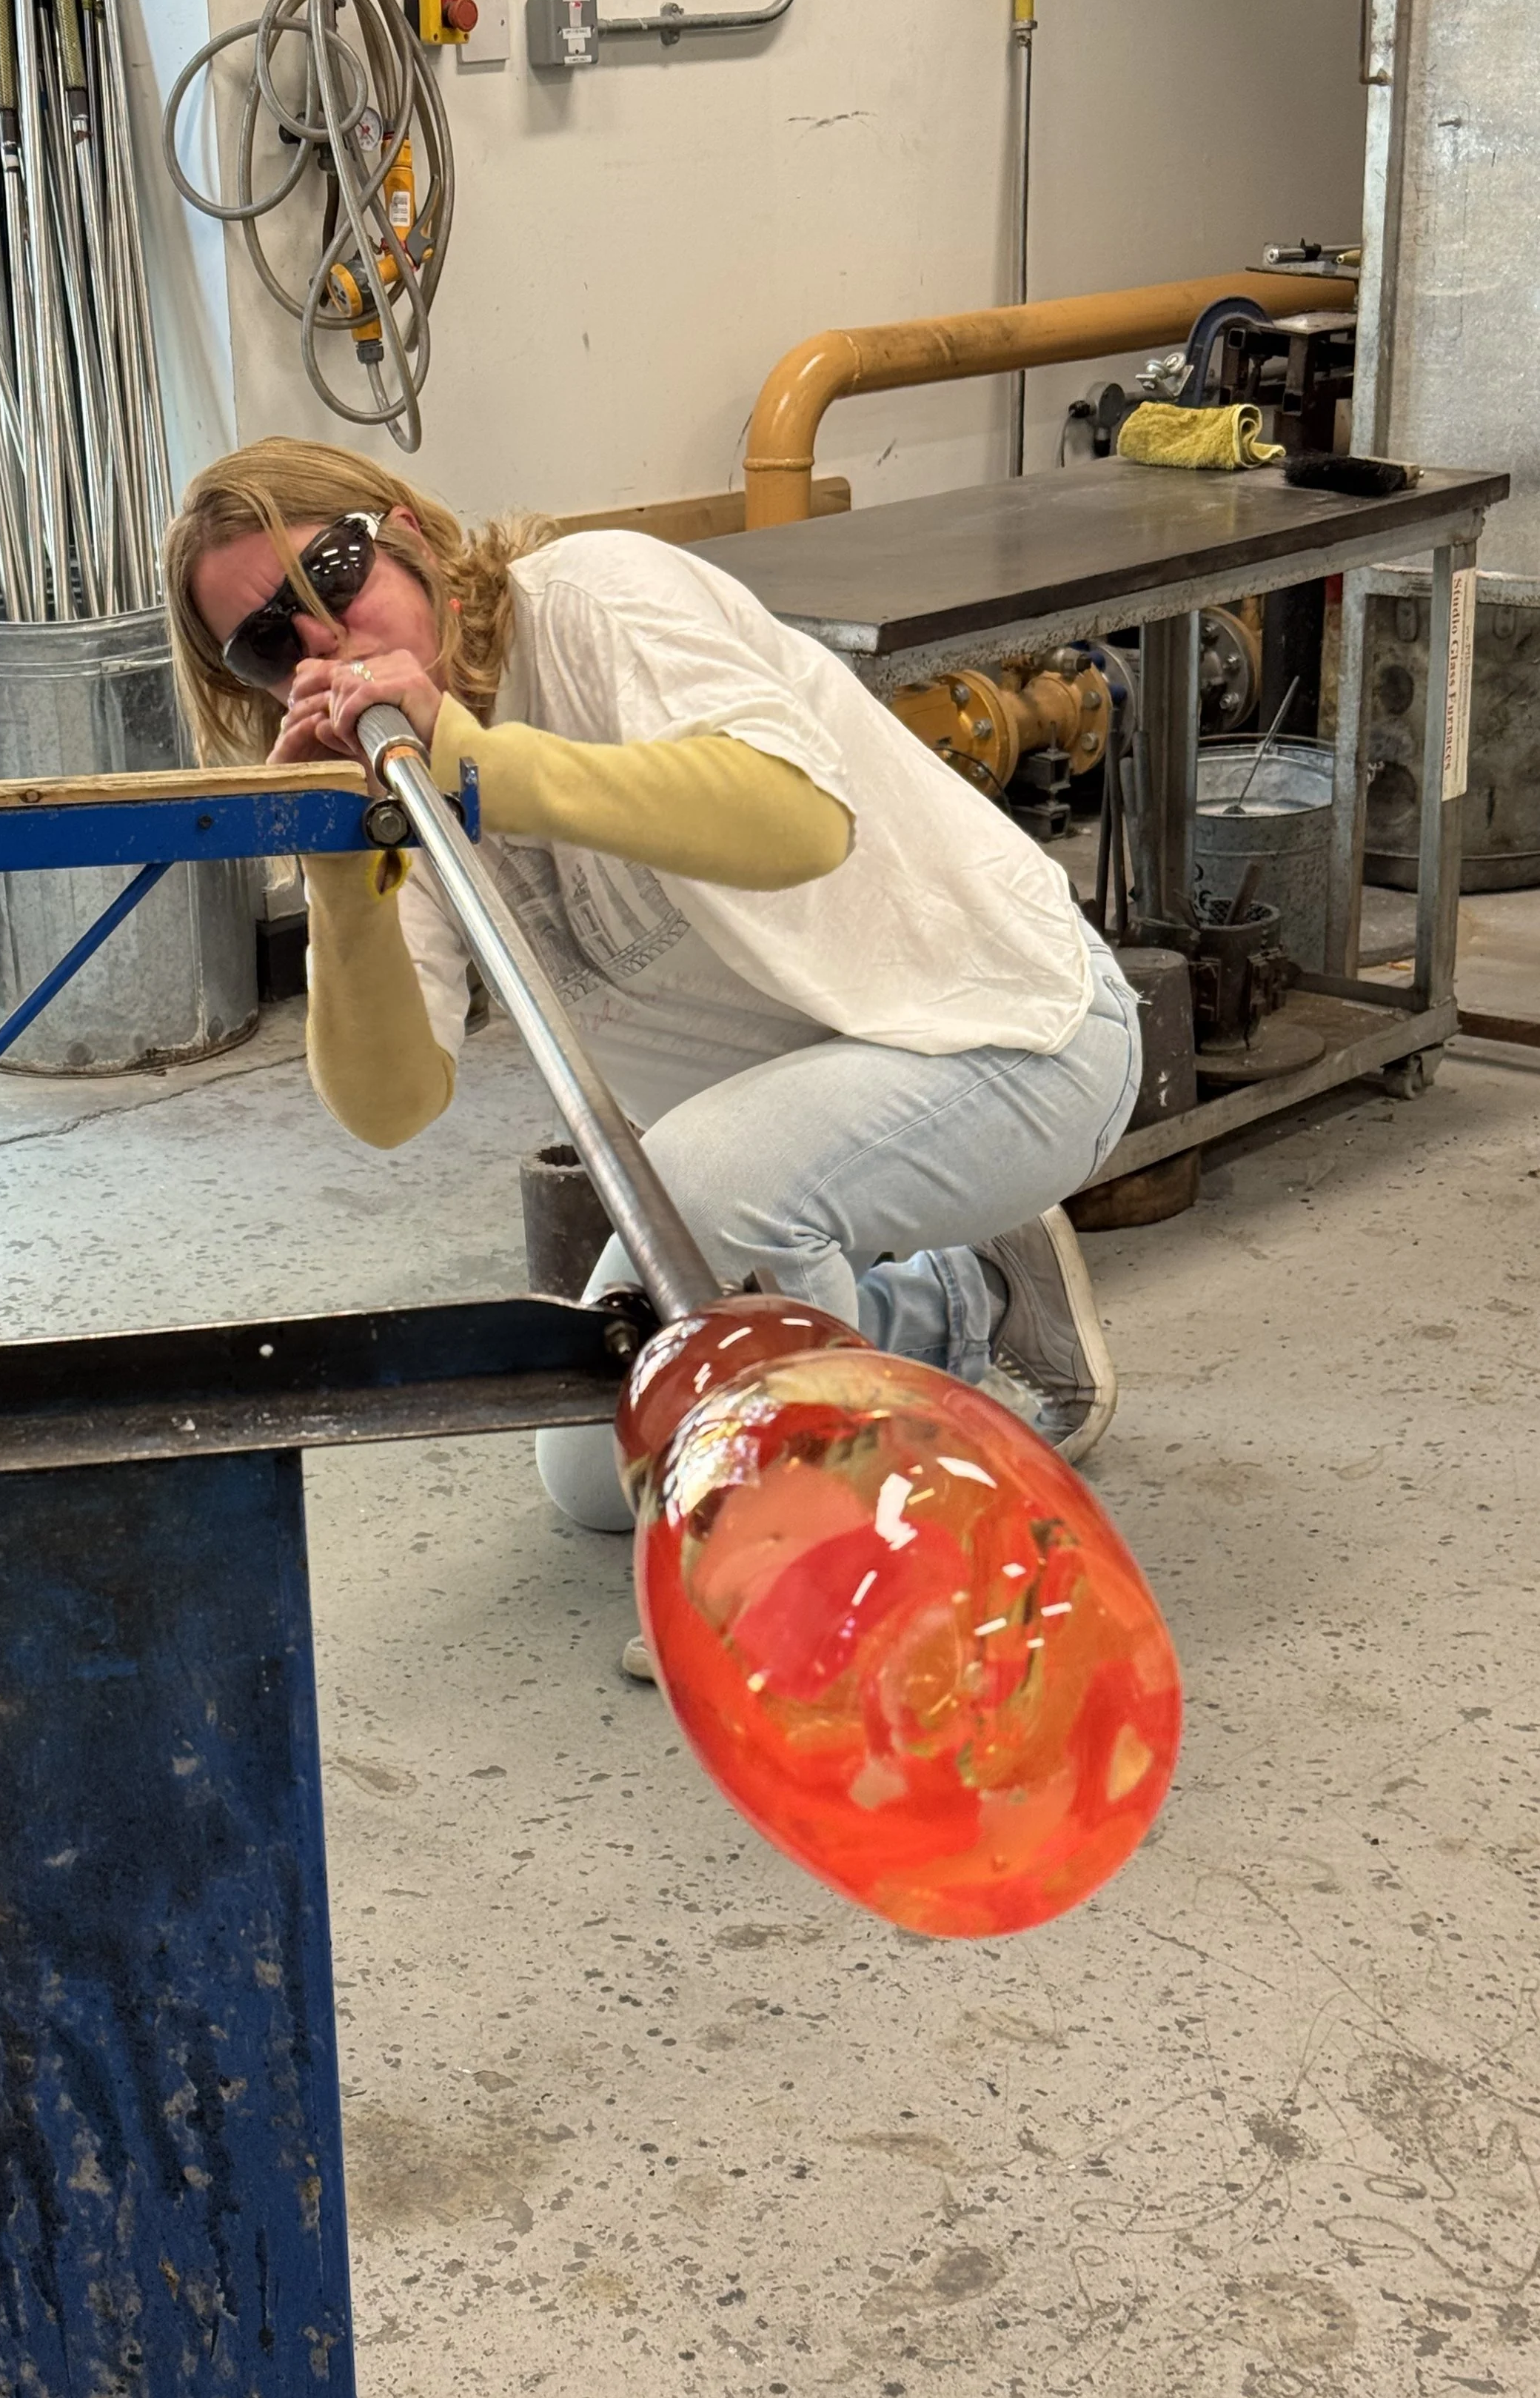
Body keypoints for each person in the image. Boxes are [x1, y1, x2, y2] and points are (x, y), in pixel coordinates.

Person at [164, 440, 1143, 1672]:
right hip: (772, 1138)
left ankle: (821, 1576)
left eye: (335, 574)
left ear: (407, 530)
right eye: (266, 640)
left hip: (1014, 1034)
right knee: (588, 1468)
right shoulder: (383, 777)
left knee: (712, 1179)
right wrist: (343, 884)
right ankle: (968, 1296)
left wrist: (480, 765)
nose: (320, 638)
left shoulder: (597, 599)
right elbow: (393, 1106)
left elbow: (797, 818)